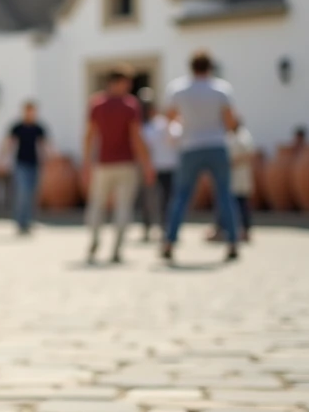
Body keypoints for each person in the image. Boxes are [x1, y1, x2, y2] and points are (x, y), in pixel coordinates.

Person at [163, 51, 242, 263]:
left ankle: (169, 242)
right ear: (210, 67)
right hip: (217, 145)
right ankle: (233, 241)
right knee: (225, 195)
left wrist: (186, 125)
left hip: (190, 146)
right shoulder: (221, 89)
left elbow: (170, 117)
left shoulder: (178, 89)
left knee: (181, 196)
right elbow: (230, 121)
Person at [82, 67, 155, 264]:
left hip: (105, 165)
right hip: (123, 164)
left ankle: (99, 241)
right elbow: (136, 138)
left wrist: (87, 163)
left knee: (99, 204)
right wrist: (147, 164)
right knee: (120, 206)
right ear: (118, 82)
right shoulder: (130, 105)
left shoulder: (96, 104)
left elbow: (89, 136)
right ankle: (114, 248)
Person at [0, 102, 48, 235]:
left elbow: (45, 145)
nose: (31, 114)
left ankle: (28, 221)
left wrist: (51, 161)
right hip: (21, 164)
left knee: (31, 194)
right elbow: (8, 144)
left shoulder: (38, 128)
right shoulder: (17, 127)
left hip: (35, 164)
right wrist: (1, 161)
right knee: (22, 193)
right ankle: (20, 222)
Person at [139, 98, 181, 242]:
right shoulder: (146, 127)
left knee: (167, 200)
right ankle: (148, 227)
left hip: (168, 167)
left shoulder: (167, 125)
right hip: (154, 167)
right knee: (150, 199)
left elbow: (177, 140)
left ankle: (166, 227)